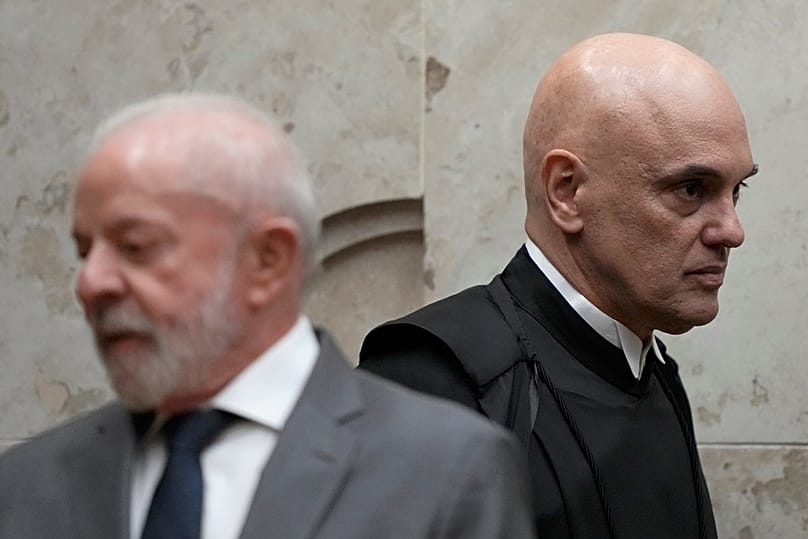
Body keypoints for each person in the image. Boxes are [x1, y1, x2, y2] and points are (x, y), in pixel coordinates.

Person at [0, 94, 535, 539]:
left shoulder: (444, 472)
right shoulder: (26, 483)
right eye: (84, 251)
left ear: (267, 260)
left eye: (134, 246)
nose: (90, 283)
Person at [360, 33, 758, 539]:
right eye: (690, 190)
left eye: (736, 190)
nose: (732, 231)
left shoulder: (654, 373)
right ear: (566, 191)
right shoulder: (430, 381)